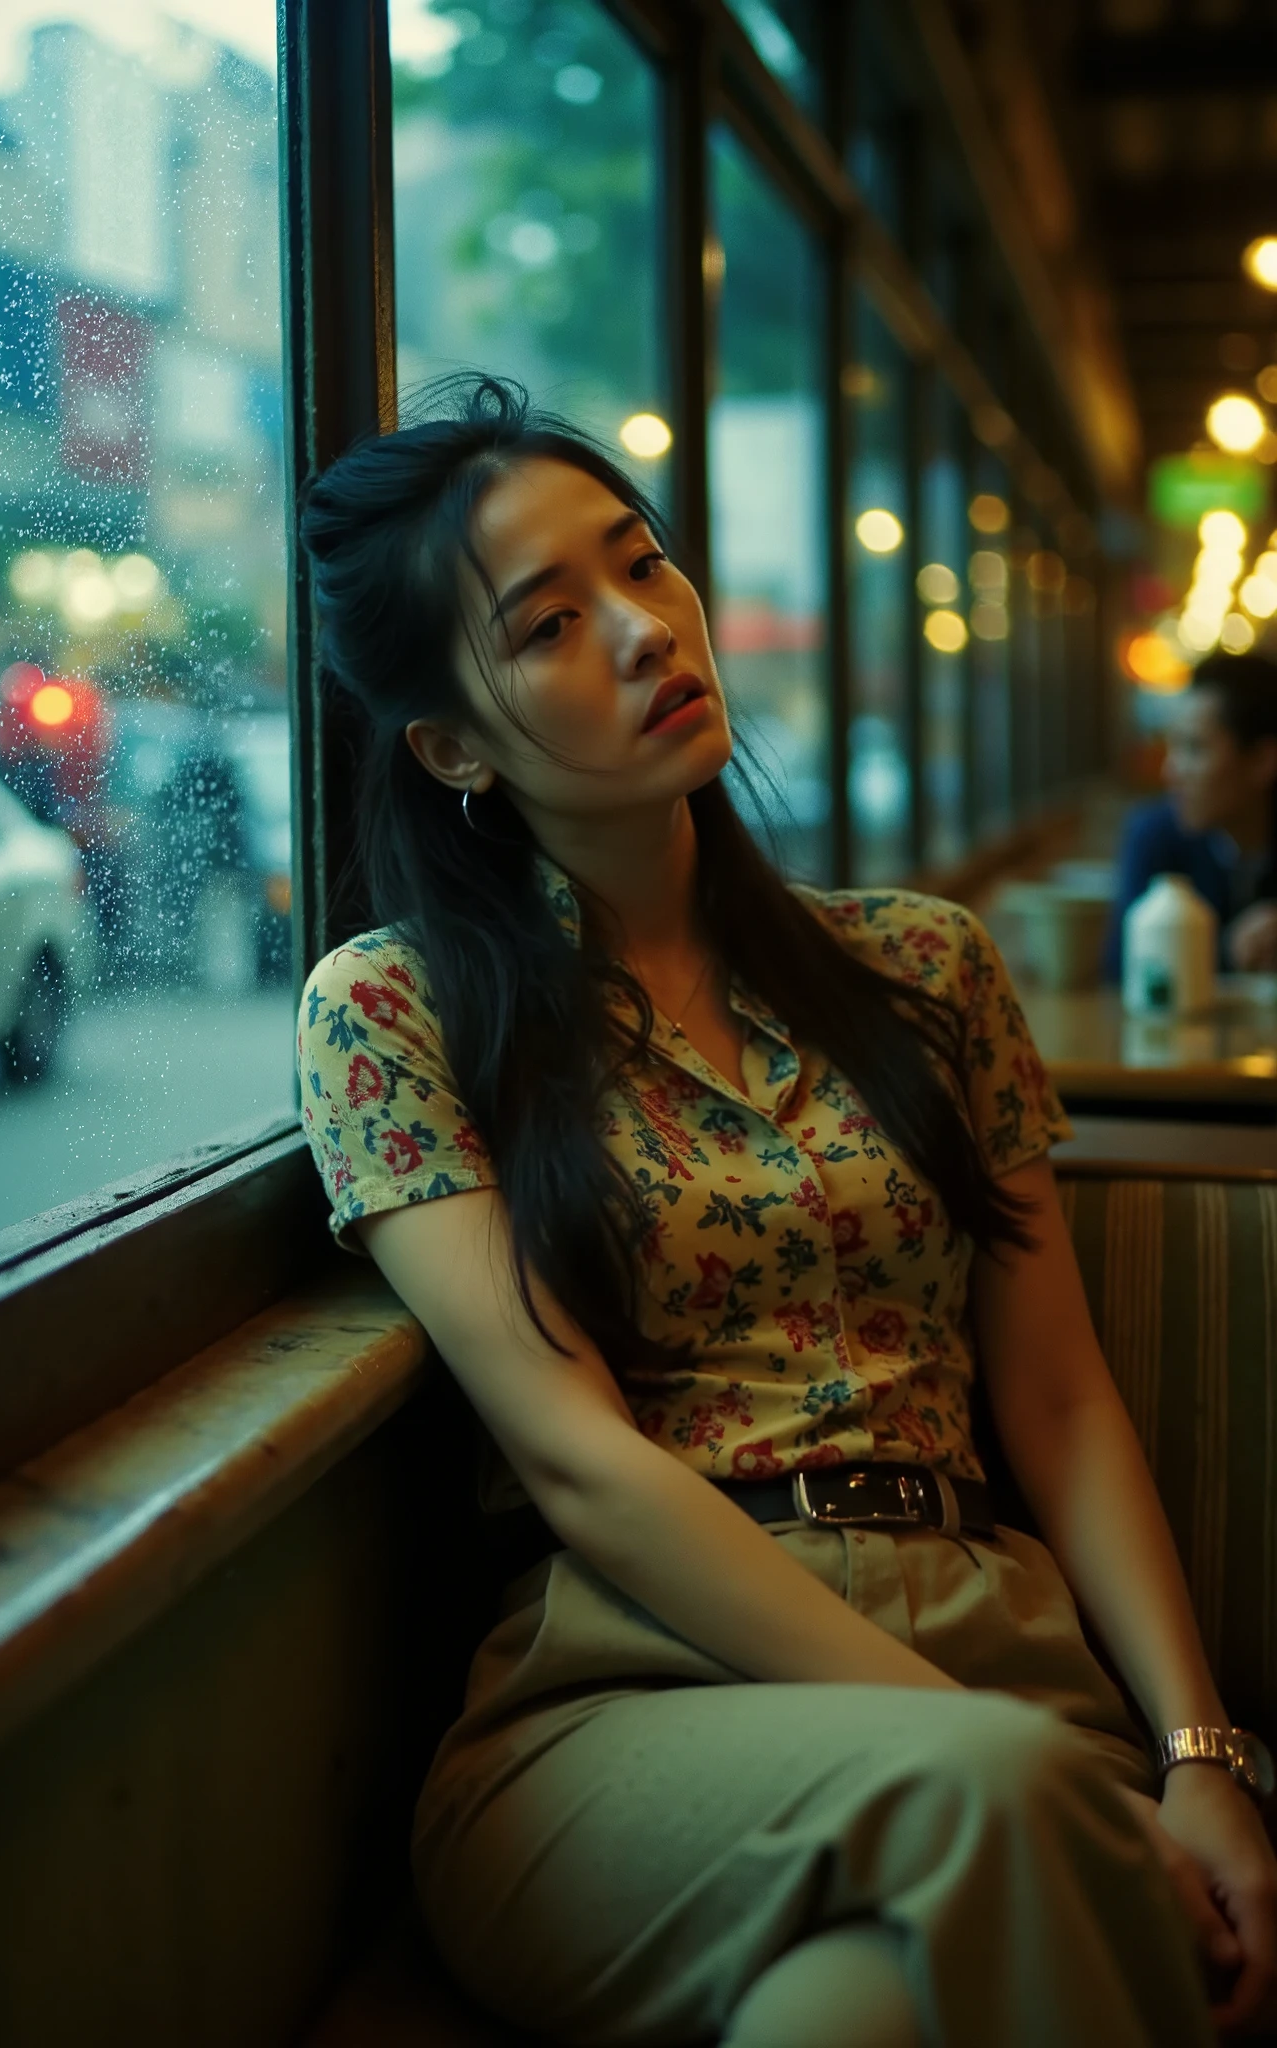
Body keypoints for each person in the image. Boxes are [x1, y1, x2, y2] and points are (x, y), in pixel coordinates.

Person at [296, 378, 1277, 2048]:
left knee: (853, 2017)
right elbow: (582, 1465)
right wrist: (985, 1751)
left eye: (643, 563)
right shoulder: (392, 1012)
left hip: (997, 1631)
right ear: (449, 745)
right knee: (1007, 1825)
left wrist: (1196, 1749)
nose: (640, 629)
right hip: (628, 1696)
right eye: (546, 624)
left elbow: (1055, 1394)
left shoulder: (924, 965)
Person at [1106, 650, 1277, 979]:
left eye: (1195, 749)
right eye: (1174, 747)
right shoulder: (1155, 836)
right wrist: (1227, 952)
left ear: (1262, 761)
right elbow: (1121, 973)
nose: (1171, 771)